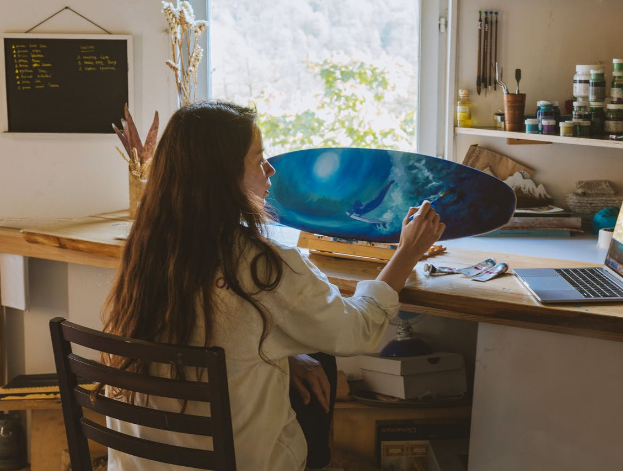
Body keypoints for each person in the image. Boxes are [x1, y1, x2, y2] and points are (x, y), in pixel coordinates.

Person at [101, 101, 445, 470]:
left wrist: (273, 350)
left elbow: (200, 336)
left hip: (142, 463)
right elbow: (357, 331)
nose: (271, 170)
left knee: (310, 359)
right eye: (259, 159)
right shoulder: (263, 264)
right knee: (324, 359)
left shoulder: (148, 250)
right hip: (236, 463)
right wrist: (408, 251)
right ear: (224, 176)